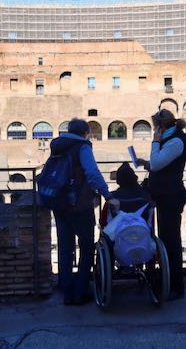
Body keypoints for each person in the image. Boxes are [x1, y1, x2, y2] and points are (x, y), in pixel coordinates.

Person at [48, 118, 119, 305]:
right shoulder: (82, 147)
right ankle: (80, 292)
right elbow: (92, 173)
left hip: (60, 203)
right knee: (87, 247)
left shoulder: (58, 145)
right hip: (80, 204)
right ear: (85, 133)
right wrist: (107, 194)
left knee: (65, 248)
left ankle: (67, 292)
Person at [137, 109, 186, 301]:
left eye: (155, 126)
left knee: (172, 242)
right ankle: (167, 280)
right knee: (165, 240)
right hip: (164, 196)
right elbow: (156, 163)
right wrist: (146, 163)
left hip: (170, 196)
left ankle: (177, 286)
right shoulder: (171, 140)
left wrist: (155, 141)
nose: (154, 130)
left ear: (160, 126)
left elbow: (157, 163)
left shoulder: (176, 141)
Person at [100, 162, 152, 228]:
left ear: (118, 180)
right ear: (134, 178)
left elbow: (103, 223)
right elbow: (150, 222)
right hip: (142, 235)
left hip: (116, 235)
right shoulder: (145, 197)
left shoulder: (112, 198)